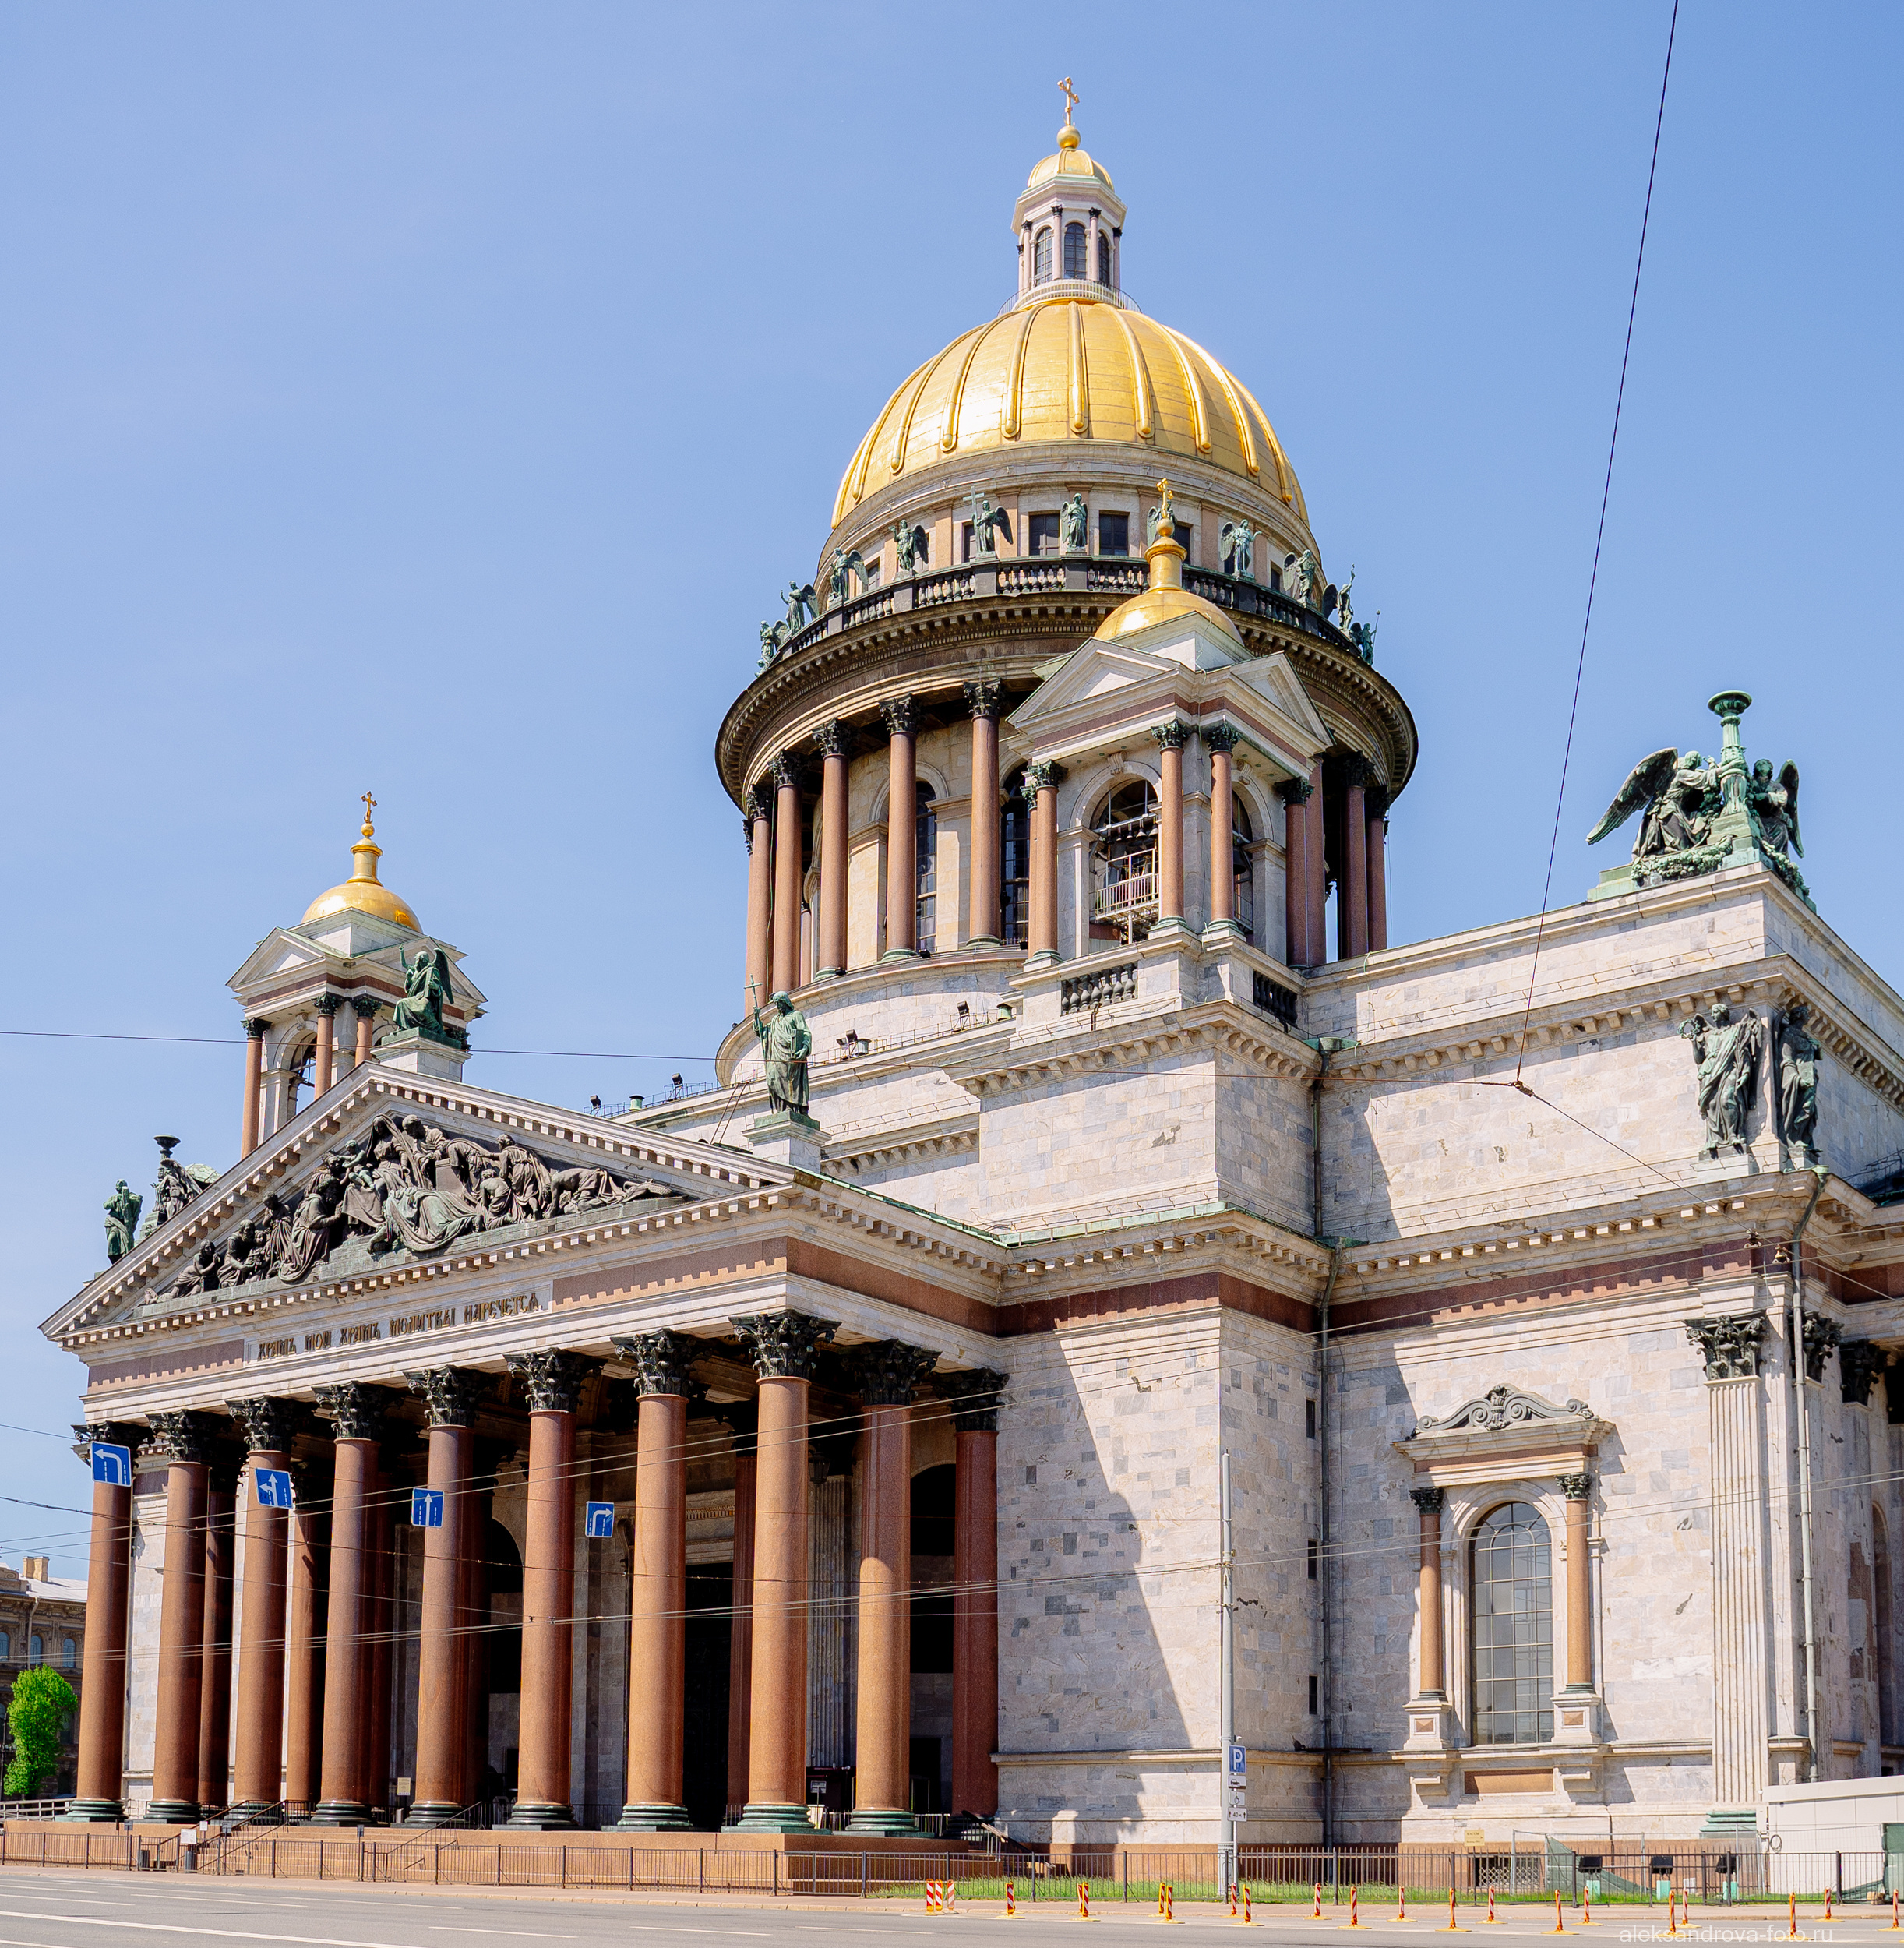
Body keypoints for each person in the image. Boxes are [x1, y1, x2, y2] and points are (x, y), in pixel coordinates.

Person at [753, 990, 813, 1117]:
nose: (778, 1006)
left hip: (791, 1057)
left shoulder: (796, 1015)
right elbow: (763, 1032)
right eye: (776, 1004)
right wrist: (756, 1018)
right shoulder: (775, 1020)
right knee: (773, 1078)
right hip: (776, 1056)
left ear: (785, 1002)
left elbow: (806, 1033)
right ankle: (781, 1109)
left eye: (779, 1003)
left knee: (792, 1082)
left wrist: (804, 1048)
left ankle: (794, 1109)